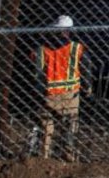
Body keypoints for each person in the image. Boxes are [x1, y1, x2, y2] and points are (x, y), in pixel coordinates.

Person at [31, 14, 86, 161]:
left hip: (48, 94)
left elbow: (37, 74)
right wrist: (88, 88)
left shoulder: (41, 50)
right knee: (70, 123)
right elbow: (86, 67)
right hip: (70, 94)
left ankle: (44, 155)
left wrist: (37, 93)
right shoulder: (76, 48)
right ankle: (68, 152)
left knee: (47, 124)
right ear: (69, 31)